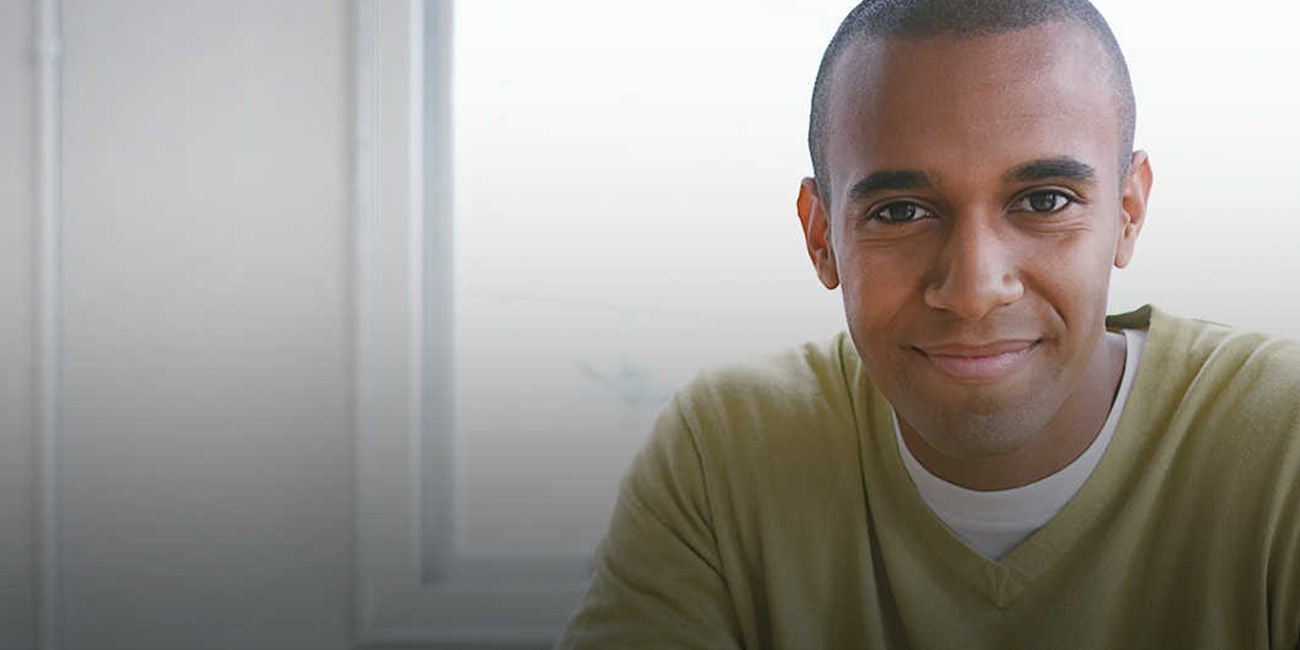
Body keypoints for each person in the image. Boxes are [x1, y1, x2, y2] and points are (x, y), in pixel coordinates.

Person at [555, 0, 1300, 647]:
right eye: (901, 212)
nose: (975, 290)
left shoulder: (1281, 445)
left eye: (1044, 202)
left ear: (1128, 214)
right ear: (821, 238)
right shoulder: (723, 457)